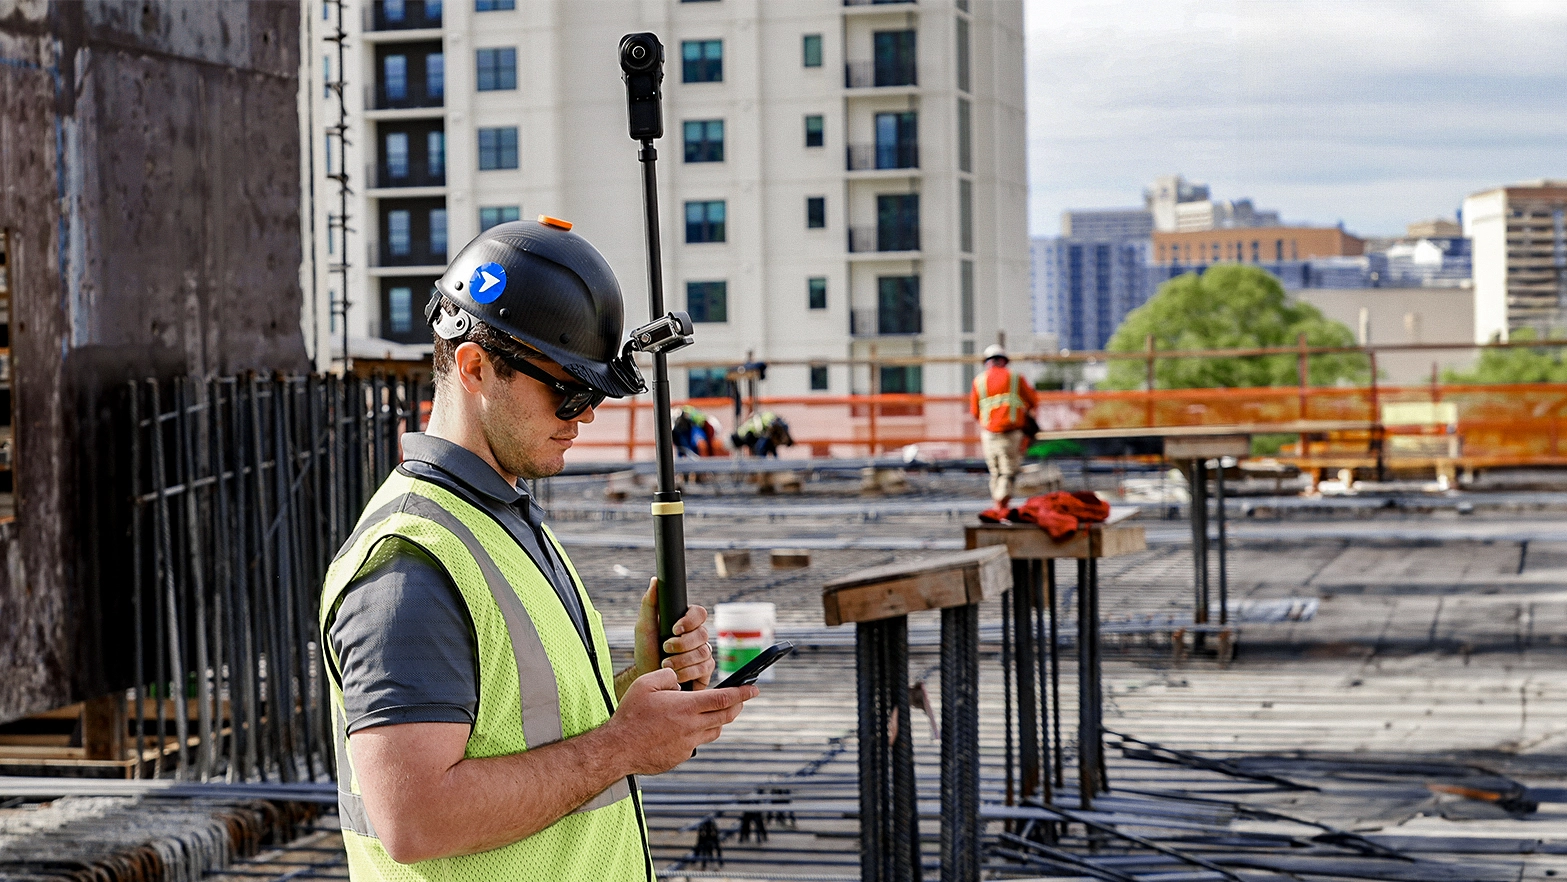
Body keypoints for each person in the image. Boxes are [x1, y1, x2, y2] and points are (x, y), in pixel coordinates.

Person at [318, 218, 757, 880]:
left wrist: (634, 687)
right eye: (568, 392)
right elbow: (416, 818)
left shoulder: (506, 518)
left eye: (595, 397)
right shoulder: (409, 567)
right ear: (474, 367)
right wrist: (624, 744)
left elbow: (523, 732)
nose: (583, 416)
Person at [969, 343, 1039, 510]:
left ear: (987, 362)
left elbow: (974, 411)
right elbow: (1033, 401)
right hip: (1011, 433)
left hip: (988, 433)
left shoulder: (979, 381)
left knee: (996, 472)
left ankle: (998, 505)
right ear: (1004, 361)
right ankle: (1000, 505)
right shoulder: (1015, 378)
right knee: (1008, 472)